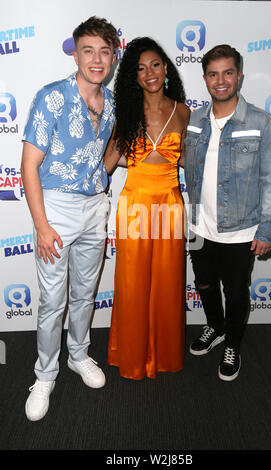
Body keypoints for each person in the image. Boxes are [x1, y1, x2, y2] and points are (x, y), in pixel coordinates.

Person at [21, 16, 118, 420]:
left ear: (113, 57)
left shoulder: (111, 102)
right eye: (88, 50)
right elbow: (29, 167)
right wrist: (42, 226)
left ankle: (79, 355)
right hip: (55, 209)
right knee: (52, 301)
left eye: (104, 51)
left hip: (95, 206)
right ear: (75, 54)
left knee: (84, 292)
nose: (97, 59)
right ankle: (45, 374)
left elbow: (105, 158)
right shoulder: (52, 97)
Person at [184, 44, 271, 381]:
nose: (221, 80)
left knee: (237, 291)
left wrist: (267, 229)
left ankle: (234, 342)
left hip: (241, 230)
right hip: (200, 226)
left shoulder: (261, 122)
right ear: (205, 79)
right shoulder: (195, 121)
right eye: (213, 74)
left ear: (239, 75)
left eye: (228, 72)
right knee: (205, 285)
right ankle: (214, 326)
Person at [104, 37, 190, 380]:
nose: (149, 73)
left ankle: (164, 355)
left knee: (168, 282)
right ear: (133, 76)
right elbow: (108, 164)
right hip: (136, 203)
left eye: (155, 64)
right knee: (132, 281)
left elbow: (188, 161)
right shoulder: (125, 111)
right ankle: (133, 356)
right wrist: (132, 157)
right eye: (140, 68)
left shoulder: (183, 111)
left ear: (165, 68)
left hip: (171, 204)